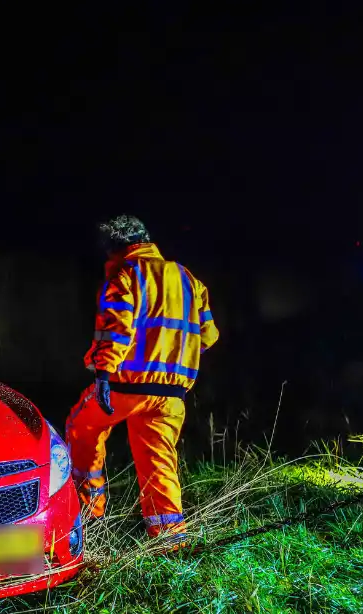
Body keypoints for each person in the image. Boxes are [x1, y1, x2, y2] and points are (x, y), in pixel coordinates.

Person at [64, 214, 218, 548]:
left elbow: (116, 330)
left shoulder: (126, 274)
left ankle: (88, 513)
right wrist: (174, 358)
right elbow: (208, 335)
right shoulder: (187, 278)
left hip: (126, 387)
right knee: (158, 460)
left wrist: (104, 375)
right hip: (172, 395)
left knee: (82, 426)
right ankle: (169, 538)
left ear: (114, 249)